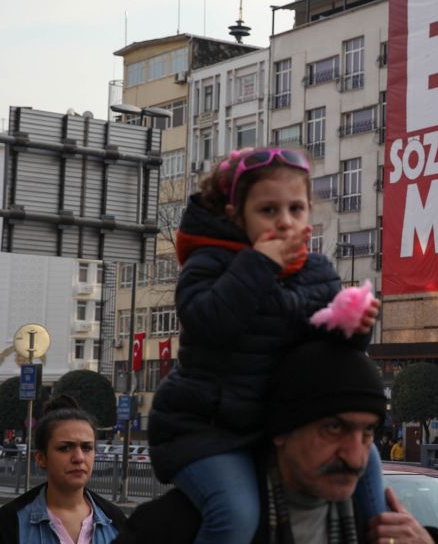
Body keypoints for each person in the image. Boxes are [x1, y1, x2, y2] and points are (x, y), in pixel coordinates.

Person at [146, 147, 383, 544]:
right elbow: (207, 324)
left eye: (296, 209)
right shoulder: (209, 263)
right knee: (235, 516)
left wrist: (355, 328)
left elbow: (328, 364)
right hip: (207, 429)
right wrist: (258, 265)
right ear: (237, 214)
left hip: (278, 425)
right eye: (268, 211)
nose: (284, 222)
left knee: (371, 473)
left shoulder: (318, 272)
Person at [115, 340, 438, 544]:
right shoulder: (184, 527)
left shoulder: (383, 530)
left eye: (367, 433)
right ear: (281, 431)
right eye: (333, 429)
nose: (355, 456)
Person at [0, 396, 127, 544]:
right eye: (65, 448)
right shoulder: (10, 522)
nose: (79, 457)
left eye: (87, 447)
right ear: (41, 458)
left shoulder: (115, 521)